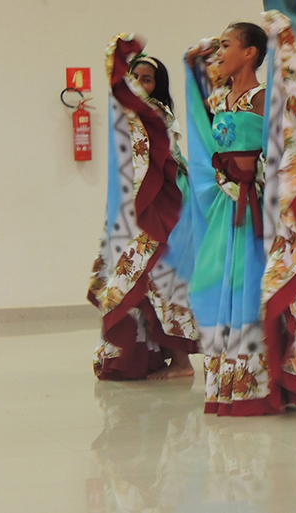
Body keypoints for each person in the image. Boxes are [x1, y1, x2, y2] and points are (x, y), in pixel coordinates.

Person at [184, 18, 296, 416]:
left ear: (250, 53)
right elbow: (202, 123)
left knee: (254, 286)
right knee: (216, 283)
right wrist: (194, 66)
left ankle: (272, 377)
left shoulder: (263, 98)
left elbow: (288, 140)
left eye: (228, 45)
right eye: (220, 45)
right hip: (226, 204)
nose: (220, 52)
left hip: (254, 207)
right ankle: (233, 374)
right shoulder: (219, 99)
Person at [89, 39, 201, 381]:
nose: (139, 81)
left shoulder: (155, 114)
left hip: (161, 214)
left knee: (156, 285)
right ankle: (149, 358)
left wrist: (118, 51)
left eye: (147, 77)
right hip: (134, 216)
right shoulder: (129, 115)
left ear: (158, 85)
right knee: (140, 286)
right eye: (135, 75)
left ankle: (182, 364)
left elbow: (170, 165)